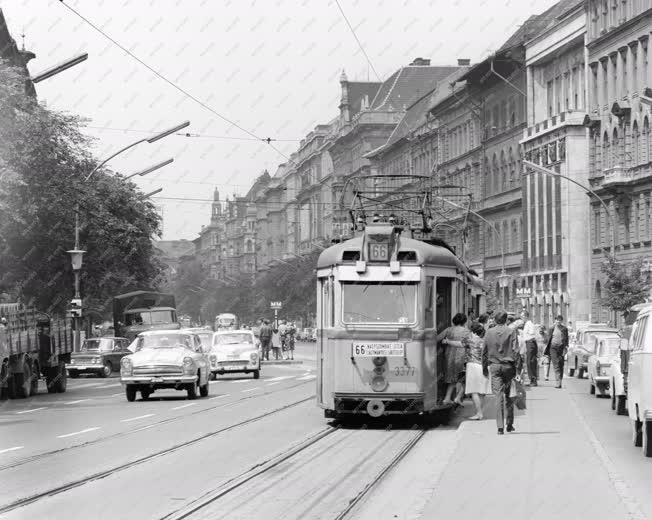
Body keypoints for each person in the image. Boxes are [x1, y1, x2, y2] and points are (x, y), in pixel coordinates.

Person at [482, 310, 523, 434]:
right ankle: (509, 424)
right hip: (508, 367)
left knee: (498, 396)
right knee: (510, 395)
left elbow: (484, 351)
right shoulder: (511, 331)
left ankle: (500, 427)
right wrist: (518, 369)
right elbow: (516, 351)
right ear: (506, 320)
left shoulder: (489, 332)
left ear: (494, 320)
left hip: (494, 367)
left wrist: (484, 368)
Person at [437, 313, 471, 406]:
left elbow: (437, 338)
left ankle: (447, 398)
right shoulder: (466, 331)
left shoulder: (448, 329)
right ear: (464, 321)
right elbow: (469, 344)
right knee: (463, 378)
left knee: (451, 377)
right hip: (462, 356)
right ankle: (458, 398)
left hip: (449, 356)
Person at [463, 322, 491, 420]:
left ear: (473, 331)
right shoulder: (485, 340)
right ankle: (479, 412)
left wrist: (447, 341)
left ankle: (479, 413)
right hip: (485, 366)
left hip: (473, 366)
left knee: (474, 391)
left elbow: (459, 344)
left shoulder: (470, 339)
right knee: (482, 392)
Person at [544, 315, 569, 389]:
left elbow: (566, 339)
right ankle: (558, 382)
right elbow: (548, 338)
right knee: (556, 365)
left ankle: (560, 380)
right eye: (557, 320)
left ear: (562, 321)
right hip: (553, 348)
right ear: (555, 321)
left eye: (560, 320)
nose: (558, 321)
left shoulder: (564, 329)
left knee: (561, 364)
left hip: (561, 348)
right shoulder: (551, 328)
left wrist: (566, 347)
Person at [520, 310, 538, 386]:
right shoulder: (527, 324)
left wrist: (524, 334)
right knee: (529, 362)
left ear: (526, 316)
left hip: (530, 343)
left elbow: (532, 334)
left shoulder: (529, 324)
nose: (521, 318)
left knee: (531, 362)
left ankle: (533, 380)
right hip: (529, 343)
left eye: (522, 316)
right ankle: (532, 379)